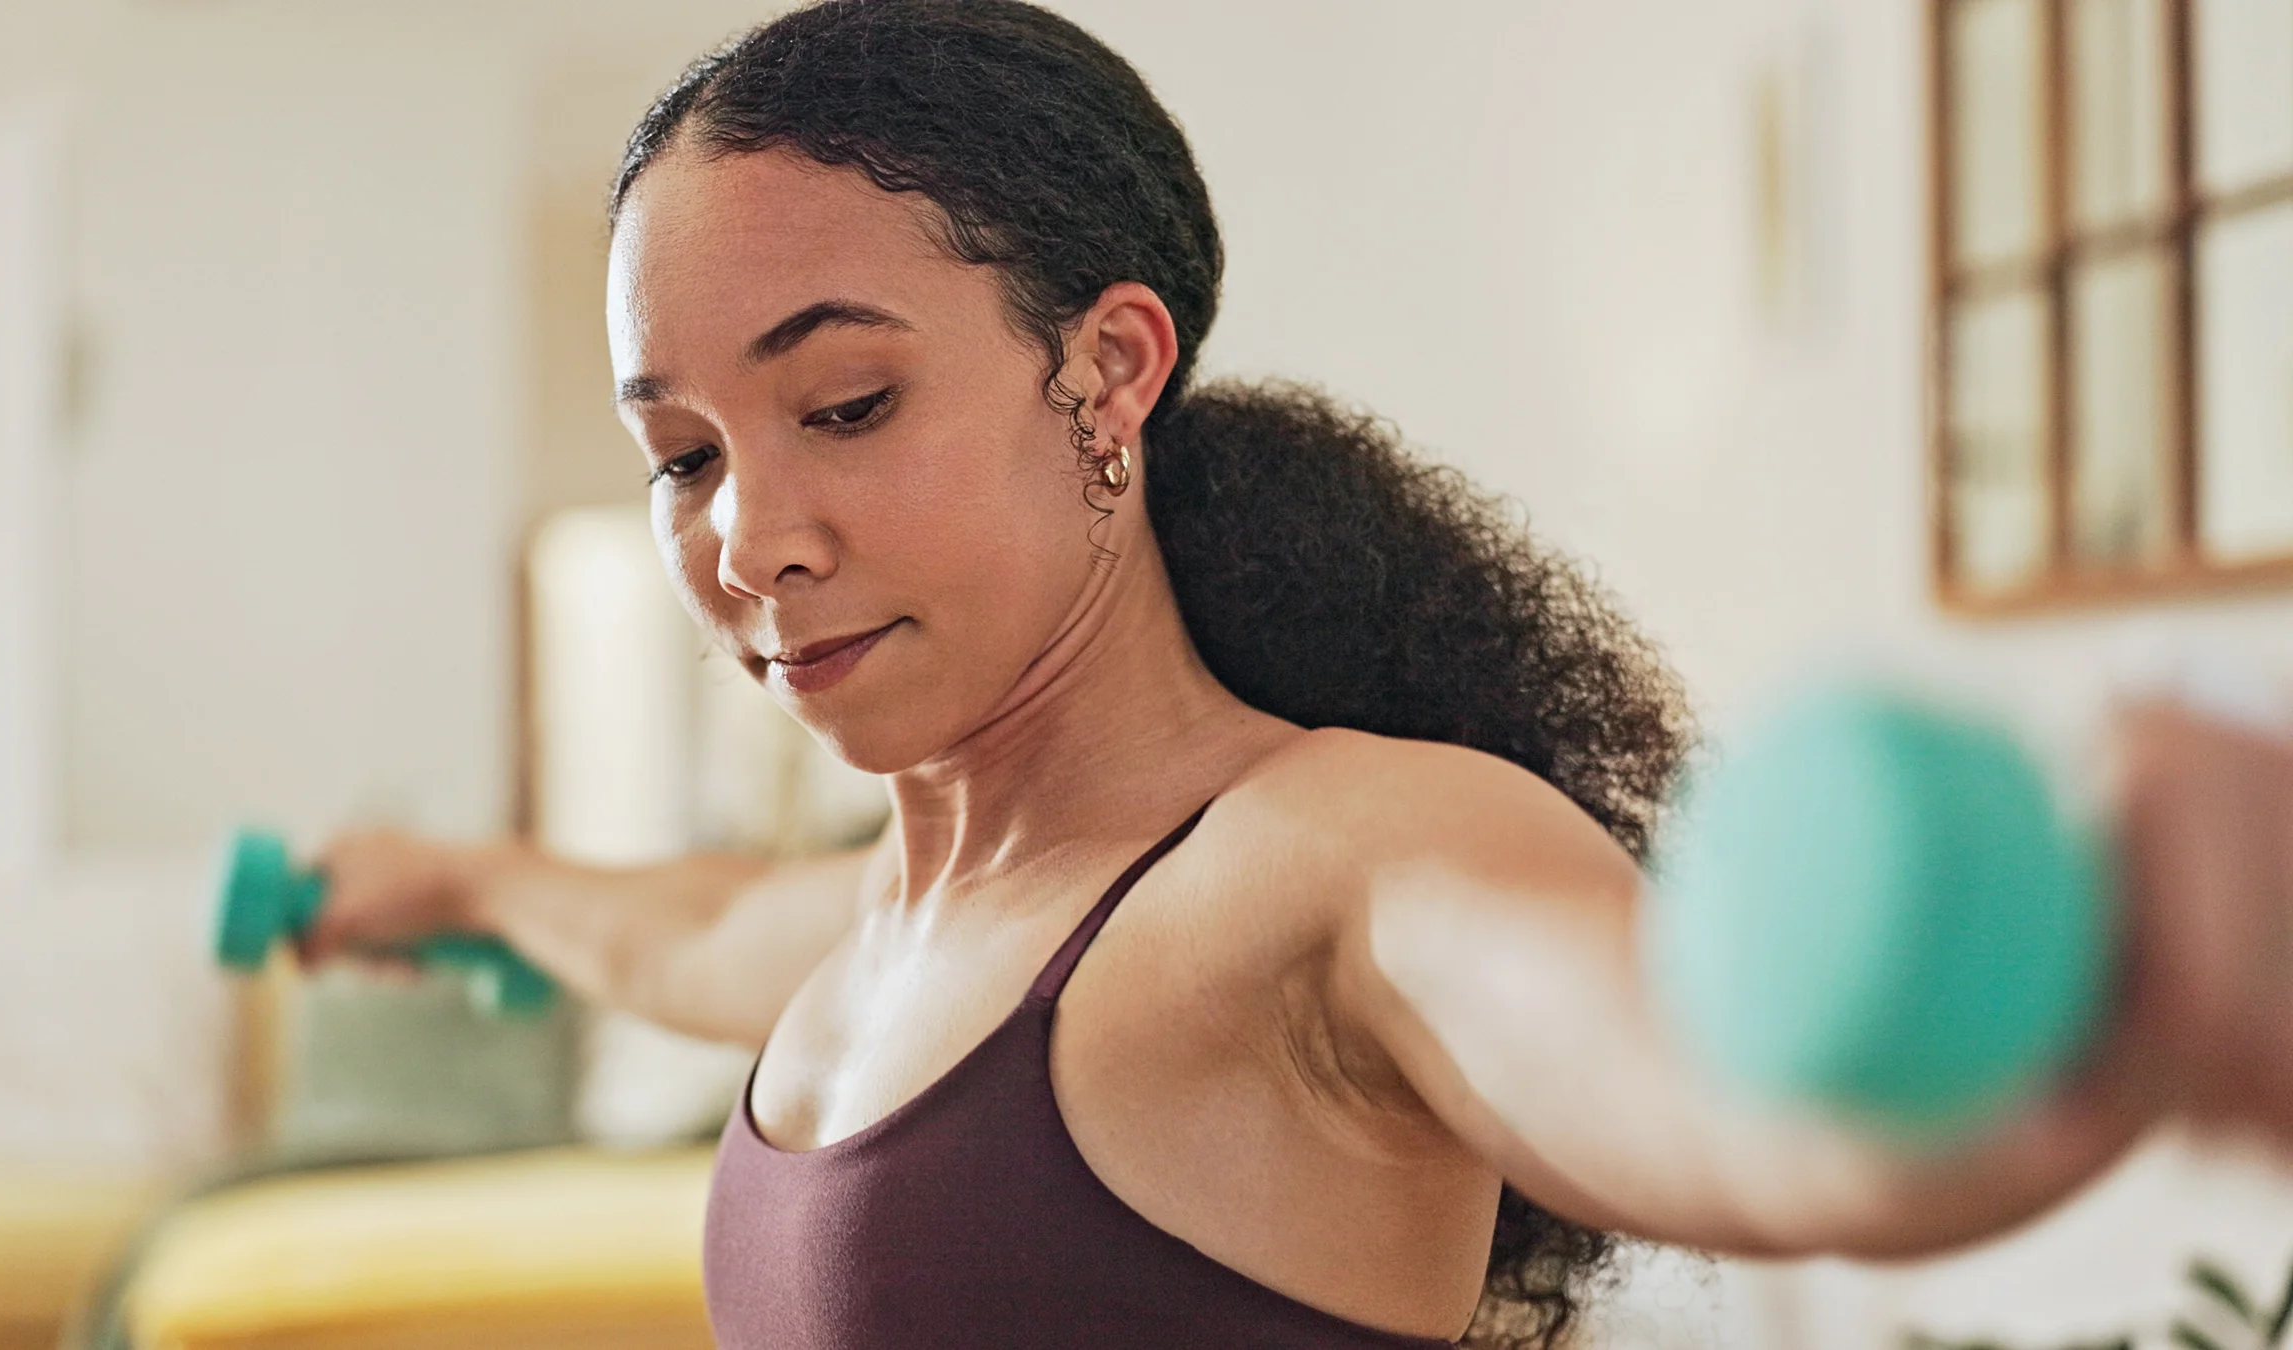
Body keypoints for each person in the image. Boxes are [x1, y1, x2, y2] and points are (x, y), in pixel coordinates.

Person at [301, 2, 2293, 1345]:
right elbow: (683, 925)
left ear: (1110, 368)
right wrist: (453, 885)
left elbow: (1716, 1111)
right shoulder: (890, 926)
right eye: (683, 455)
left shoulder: (1342, 859)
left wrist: (2107, 994)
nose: (748, 536)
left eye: (846, 400)